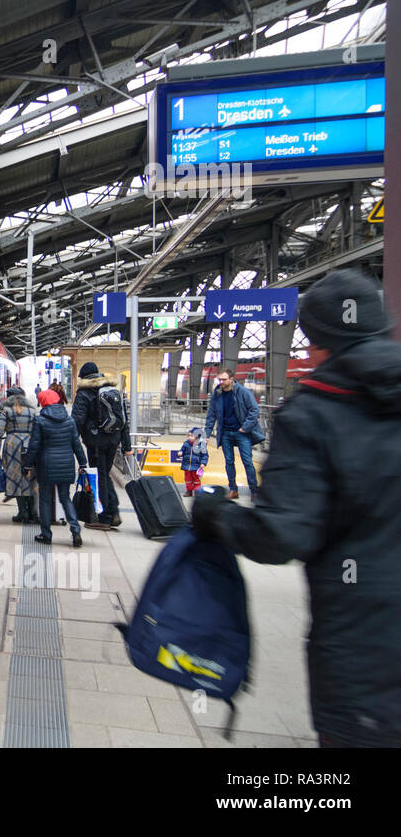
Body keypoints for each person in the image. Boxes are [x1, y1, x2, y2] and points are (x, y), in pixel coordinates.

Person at [192, 268, 401, 747]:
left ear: (319, 344)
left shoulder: (314, 412)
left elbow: (281, 535)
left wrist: (215, 515)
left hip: (363, 638)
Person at [22, 389, 87, 546]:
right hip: (66, 464)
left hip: (46, 465)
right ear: (58, 400)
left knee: (45, 500)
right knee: (65, 498)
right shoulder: (69, 420)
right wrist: (83, 463)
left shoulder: (40, 420)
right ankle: (75, 531)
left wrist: (28, 464)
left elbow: (34, 445)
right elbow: (76, 444)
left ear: (43, 402)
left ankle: (46, 534)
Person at [70, 361, 131, 526]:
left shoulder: (84, 393)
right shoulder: (113, 390)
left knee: (100, 477)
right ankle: (114, 512)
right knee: (104, 474)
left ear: (83, 377)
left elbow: (77, 421)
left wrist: (70, 442)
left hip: (96, 441)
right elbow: (124, 420)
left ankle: (105, 518)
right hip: (114, 440)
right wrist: (127, 446)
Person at [203, 366, 265, 500]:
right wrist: (206, 434)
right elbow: (211, 415)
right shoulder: (217, 393)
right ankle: (233, 490)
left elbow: (254, 410)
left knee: (247, 461)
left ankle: (254, 491)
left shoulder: (243, 392)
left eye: (224, 379)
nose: (221, 382)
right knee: (229, 462)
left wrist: (245, 427)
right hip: (225, 433)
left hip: (241, 433)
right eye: (220, 379)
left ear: (231, 380)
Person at [0, 387, 38, 524]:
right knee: (30, 478)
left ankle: (22, 513)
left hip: (12, 446)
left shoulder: (5, 410)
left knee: (16, 478)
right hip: (30, 445)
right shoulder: (32, 411)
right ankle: (32, 512)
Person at [179, 427, 208, 496]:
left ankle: (197, 492)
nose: (189, 437)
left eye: (191, 436)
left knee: (196, 480)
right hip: (187, 465)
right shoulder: (186, 444)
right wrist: (180, 453)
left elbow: (205, 455)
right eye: (189, 436)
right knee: (188, 479)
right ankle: (189, 491)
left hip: (196, 466)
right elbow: (182, 450)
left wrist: (203, 463)